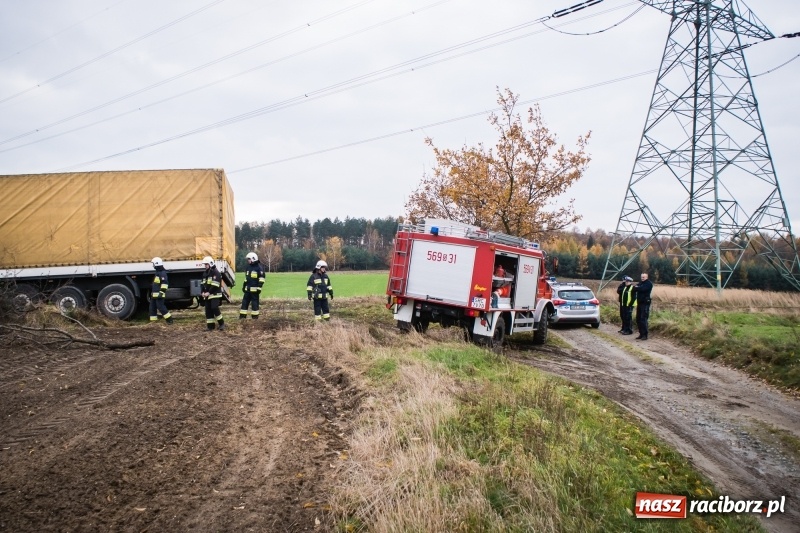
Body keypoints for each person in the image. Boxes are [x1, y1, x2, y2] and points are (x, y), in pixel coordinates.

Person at [201, 256, 225, 331]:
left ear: (210, 264)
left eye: (206, 264)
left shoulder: (215, 272)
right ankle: (210, 327)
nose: (205, 266)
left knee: (214, 307)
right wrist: (202, 292)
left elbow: (215, 285)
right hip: (207, 295)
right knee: (208, 311)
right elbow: (202, 284)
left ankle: (222, 324)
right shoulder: (205, 273)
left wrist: (209, 292)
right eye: (205, 264)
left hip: (215, 294)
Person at [239, 252, 265, 319]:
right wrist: (244, 286)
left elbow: (262, 279)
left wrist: (259, 288)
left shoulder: (259, 268)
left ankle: (255, 318)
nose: (248, 260)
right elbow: (246, 278)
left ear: (253, 259)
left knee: (254, 305)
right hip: (247, 290)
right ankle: (242, 317)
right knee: (244, 303)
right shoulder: (248, 267)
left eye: (249, 259)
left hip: (255, 291)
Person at [149, 257, 174, 324]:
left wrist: (161, 292)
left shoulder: (162, 273)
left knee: (161, 307)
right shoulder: (157, 273)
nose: (153, 265)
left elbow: (165, 283)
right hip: (154, 295)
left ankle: (169, 320)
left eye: (153, 264)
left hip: (159, 295)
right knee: (152, 308)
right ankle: (153, 322)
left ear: (156, 264)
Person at [633, 272, 653, 340]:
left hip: (645, 303)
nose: (642, 278)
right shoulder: (640, 283)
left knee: (643, 319)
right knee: (638, 319)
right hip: (639, 302)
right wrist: (638, 287)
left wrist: (638, 288)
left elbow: (642, 289)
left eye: (643, 277)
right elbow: (635, 288)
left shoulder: (649, 283)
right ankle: (641, 334)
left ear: (647, 277)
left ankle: (645, 335)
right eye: (641, 277)